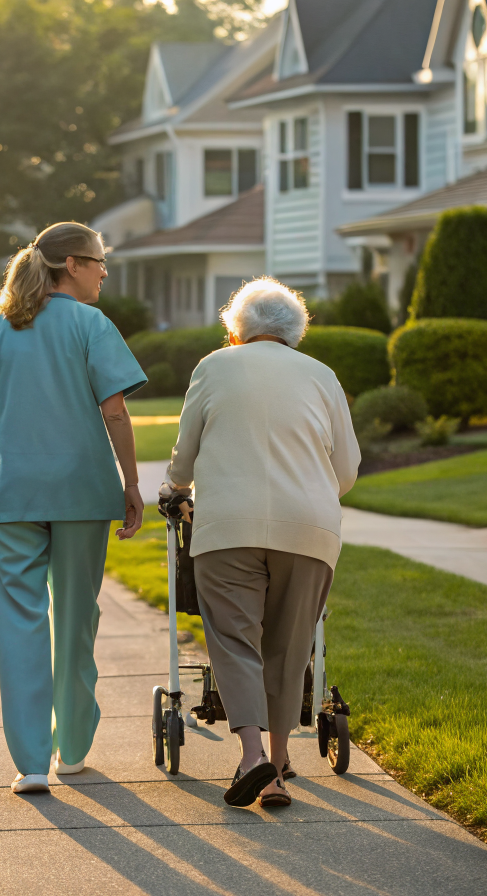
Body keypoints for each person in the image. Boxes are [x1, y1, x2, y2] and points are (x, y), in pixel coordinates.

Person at [0, 221, 147, 796]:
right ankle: (73, 748)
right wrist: (131, 484)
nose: (104, 272)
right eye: (99, 261)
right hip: (82, 494)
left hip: (12, 497)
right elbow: (114, 412)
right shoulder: (91, 325)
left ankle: (31, 763)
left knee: (18, 626)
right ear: (72, 266)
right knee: (76, 619)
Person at [161, 278, 360, 809]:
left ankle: (254, 760)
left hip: (228, 527)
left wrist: (175, 487)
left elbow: (184, 456)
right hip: (307, 528)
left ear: (236, 329)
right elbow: (346, 471)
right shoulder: (322, 375)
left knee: (234, 640)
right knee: (289, 648)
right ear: (296, 331)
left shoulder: (214, 367)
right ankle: (278, 763)